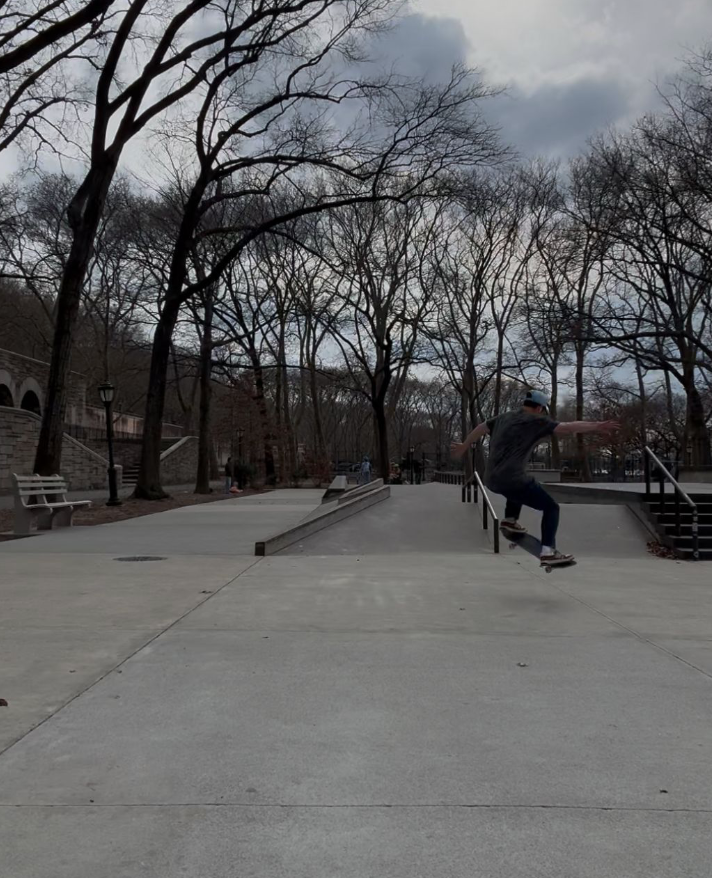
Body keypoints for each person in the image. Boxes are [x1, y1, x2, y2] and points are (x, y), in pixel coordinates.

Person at [451, 389, 619, 567]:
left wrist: (465, 445)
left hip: (491, 479)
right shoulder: (537, 421)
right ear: (540, 408)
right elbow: (568, 427)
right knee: (551, 508)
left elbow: (480, 428)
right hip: (512, 478)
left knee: (519, 486)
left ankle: (510, 520)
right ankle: (548, 552)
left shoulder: (504, 417)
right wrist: (596, 426)